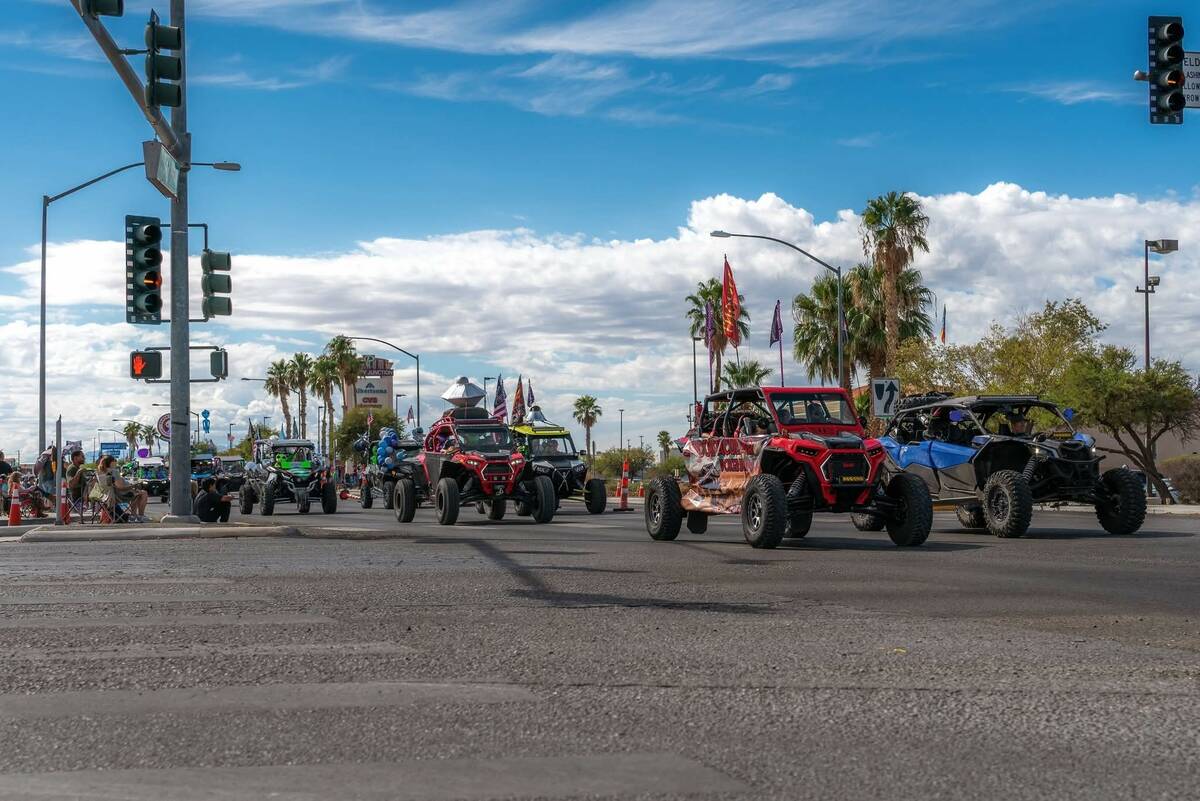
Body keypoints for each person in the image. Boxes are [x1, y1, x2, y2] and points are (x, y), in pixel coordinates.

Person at [96, 454, 149, 522]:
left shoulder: (99, 472)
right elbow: (121, 488)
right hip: (120, 495)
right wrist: (134, 485)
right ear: (111, 463)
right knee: (143, 493)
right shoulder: (113, 471)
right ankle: (140, 516)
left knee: (136, 493)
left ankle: (133, 516)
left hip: (107, 496)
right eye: (115, 461)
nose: (116, 463)